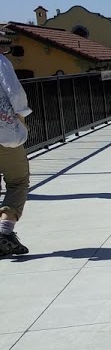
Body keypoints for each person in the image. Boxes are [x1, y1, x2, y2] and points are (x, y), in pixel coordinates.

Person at [0, 28, 32, 256]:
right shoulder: (1, 63)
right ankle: (4, 231)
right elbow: (15, 93)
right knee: (18, 181)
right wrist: (22, 116)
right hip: (4, 132)